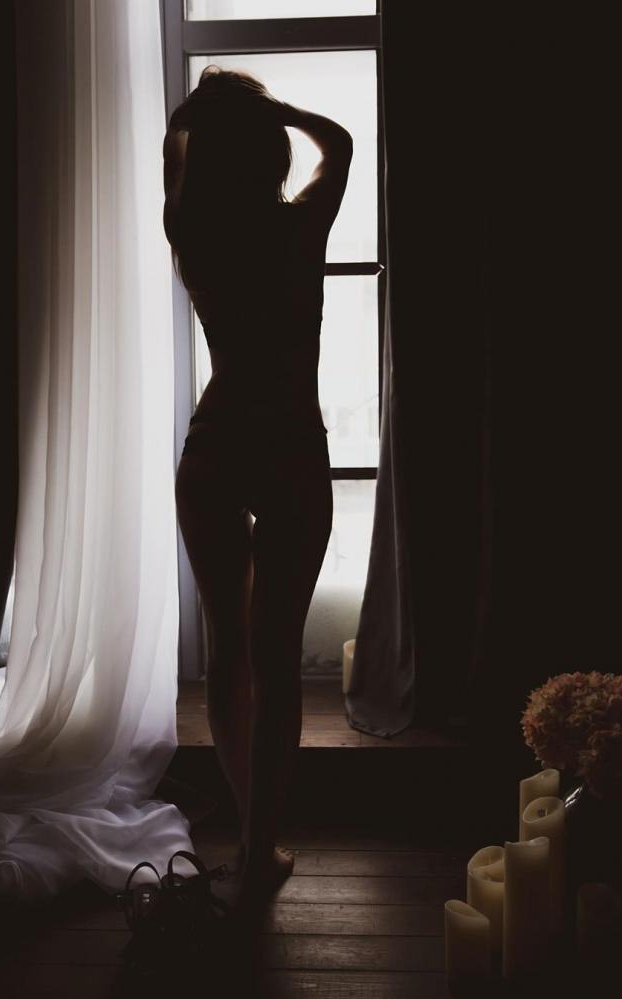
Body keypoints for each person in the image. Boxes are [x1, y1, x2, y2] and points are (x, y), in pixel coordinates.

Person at [164, 65, 352, 915]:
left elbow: (177, 147)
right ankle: (258, 845)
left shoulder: (191, 232)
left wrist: (205, 116)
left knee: (228, 659)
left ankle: (251, 838)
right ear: (269, 146)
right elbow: (339, 144)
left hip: (214, 449)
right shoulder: (300, 227)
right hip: (289, 451)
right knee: (275, 661)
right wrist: (272, 106)